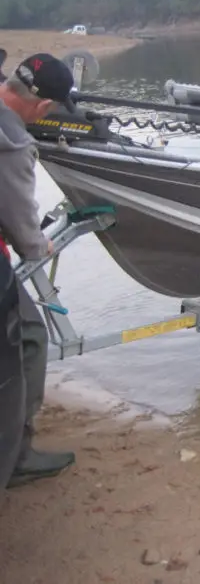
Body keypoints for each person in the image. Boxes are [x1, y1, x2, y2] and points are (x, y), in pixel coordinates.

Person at [0, 52, 77, 488]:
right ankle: (16, 454)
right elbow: (27, 237)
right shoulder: (11, 142)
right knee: (29, 338)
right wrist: (38, 242)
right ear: (43, 107)